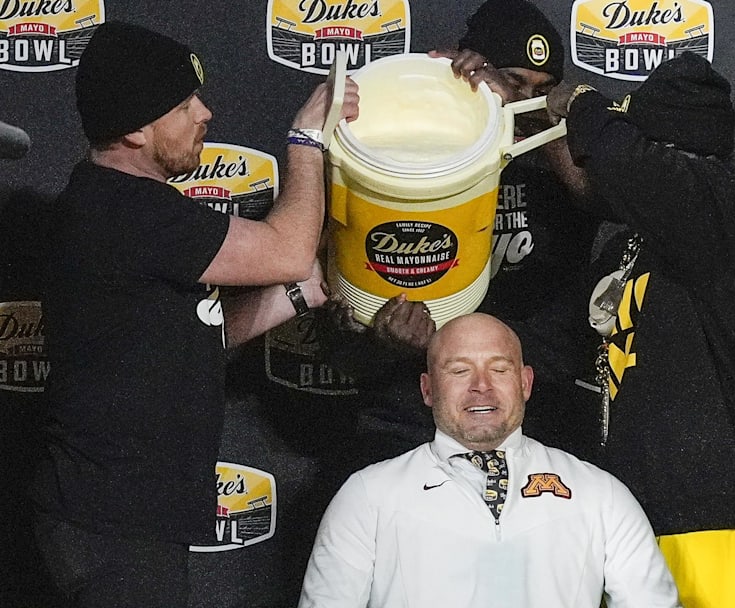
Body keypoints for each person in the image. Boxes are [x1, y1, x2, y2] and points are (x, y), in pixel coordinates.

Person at [31, 20, 359, 606]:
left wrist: (299, 294)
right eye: (184, 106)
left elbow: (192, 334)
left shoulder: (113, 208)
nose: (205, 113)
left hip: (114, 520)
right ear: (135, 130)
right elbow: (287, 251)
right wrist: (306, 140)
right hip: (118, 527)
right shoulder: (128, 210)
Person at [545, 52, 735, 607]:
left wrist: (581, 104)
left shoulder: (731, 203)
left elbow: (630, 165)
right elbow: (557, 342)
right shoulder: (631, 245)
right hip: (636, 510)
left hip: (718, 513)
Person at [320, 0, 601, 469]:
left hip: (540, 418)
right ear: (469, 73)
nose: (521, 101)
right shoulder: (400, 166)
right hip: (413, 421)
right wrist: (384, 341)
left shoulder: (562, 161)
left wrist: (540, 115)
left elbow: (603, 201)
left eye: (541, 91)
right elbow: (340, 346)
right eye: (511, 82)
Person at [298, 313, 680, 607]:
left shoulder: (599, 495)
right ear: (427, 389)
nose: (481, 385)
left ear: (525, 383)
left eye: (499, 369)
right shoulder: (368, 496)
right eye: (459, 370)